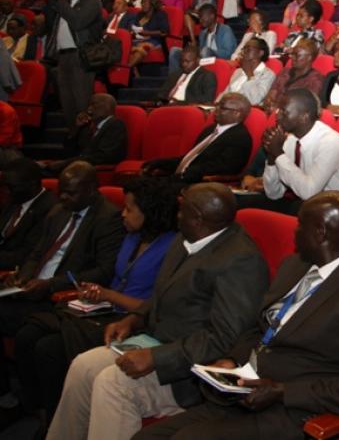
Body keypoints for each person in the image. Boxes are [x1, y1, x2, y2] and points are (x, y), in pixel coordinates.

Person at [133, 190, 339, 440]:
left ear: (320, 232)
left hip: (294, 410)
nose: (294, 233)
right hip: (244, 393)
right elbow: (259, 326)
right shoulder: (295, 266)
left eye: (300, 225)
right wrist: (232, 359)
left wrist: (282, 391)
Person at [46, 183, 270, 440]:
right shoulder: (187, 237)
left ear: (197, 218)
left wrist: (156, 358)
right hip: (156, 341)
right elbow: (162, 293)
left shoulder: (241, 261)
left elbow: (225, 338)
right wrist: (135, 318)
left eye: (181, 210)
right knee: (83, 366)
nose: (176, 214)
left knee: (114, 384)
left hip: (189, 369)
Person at [12, 177, 179, 421]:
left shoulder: (173, 248)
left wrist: (109, 294)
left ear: (150, 212)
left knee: (48, 349)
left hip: (132, 322)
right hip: (102, 310)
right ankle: (35, 409)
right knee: (28, 334)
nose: (123, 214)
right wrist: (96, 292)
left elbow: (155, 308)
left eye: (129, 209)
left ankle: (56, 419)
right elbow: (114, 276)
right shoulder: (132, 236)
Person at [0, 161, 124, 338]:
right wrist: (23, 277)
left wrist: (50, 284)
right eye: (61, 191)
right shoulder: (59, 211)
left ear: (91, 189)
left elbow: (104, 271)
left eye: (70, 193)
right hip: (31, 291)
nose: (63, 197)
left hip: (59, 296)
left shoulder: (108, 218)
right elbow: (37, 253)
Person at [239, 89, 339, 215]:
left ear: (304, 117)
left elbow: (309, 193)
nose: (277, 116)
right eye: (278, 110)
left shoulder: (330, 141)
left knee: (296, 208)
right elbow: (273, 193)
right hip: (305, 201)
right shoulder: (291, 139)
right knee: (242, 202)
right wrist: (272, 157)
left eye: (284, 112)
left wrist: (278, 153)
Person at [42, 0, 103, 131]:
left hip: (81, 55)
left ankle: (85, 138)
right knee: (66, 102)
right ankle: (73, 134)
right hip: (63, 56)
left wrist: (60, 0)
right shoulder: (66, 1)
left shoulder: (91, 1)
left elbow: (78, 22)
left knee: (81, 101)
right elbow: (50, 24)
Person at [143, 92, 252, 183]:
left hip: (199, 185)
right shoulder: (210, 129)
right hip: (182, 177)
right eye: (217, 105)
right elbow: (192, 158)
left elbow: (224, 168)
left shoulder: (240, 138)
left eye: (222, 107)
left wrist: (184, 174)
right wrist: (162, 163)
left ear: (237, 113)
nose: (216, 110)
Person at [42, 93, 127, 175]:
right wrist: (76, 128)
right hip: (73, 167)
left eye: (94, 104)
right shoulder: (89, 127)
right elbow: (69, 151)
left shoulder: (115, 124)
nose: (89, 109)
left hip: (85, 171)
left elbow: (103, 156)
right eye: (89, 105)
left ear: (107, 106)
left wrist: (65, 163)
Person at [0, 158, 57, 271]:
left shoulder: (50, 209)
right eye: (4, 185)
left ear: (32, 184)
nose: (6, 191)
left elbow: (27, 255)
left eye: (12, 187)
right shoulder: (15, 198)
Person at [262, 39, 325, 114]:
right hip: (272, 112)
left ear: (309, 58)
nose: (292, 57)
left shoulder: (315, 80)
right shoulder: (284, 72)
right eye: (292, 54)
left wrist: (277, 109)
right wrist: (269, 101)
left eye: (297, 55)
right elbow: (272, 94)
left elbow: (303, 107)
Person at [221, 38, 276, 106]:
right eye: (243, 49)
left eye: (248, 49)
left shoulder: (268, 75)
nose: (243, 52)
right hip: (226, 107)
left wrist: (249, 74)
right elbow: (225, 93)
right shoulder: (238, 71)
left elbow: (255, 100)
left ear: (260, 53)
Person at [127, 0, 170, 69]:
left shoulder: (160, 14)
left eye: (145, 2)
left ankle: (127, 68)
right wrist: (133, 31)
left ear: (152, 3)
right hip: (138, 39)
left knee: (140, 50)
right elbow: (135, 27)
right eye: (142, 2)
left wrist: (147, 33)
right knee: (125, 46)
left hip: (154, 40)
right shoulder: (140, 14)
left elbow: (164, 32)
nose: (142, 4)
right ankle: (133, 71)